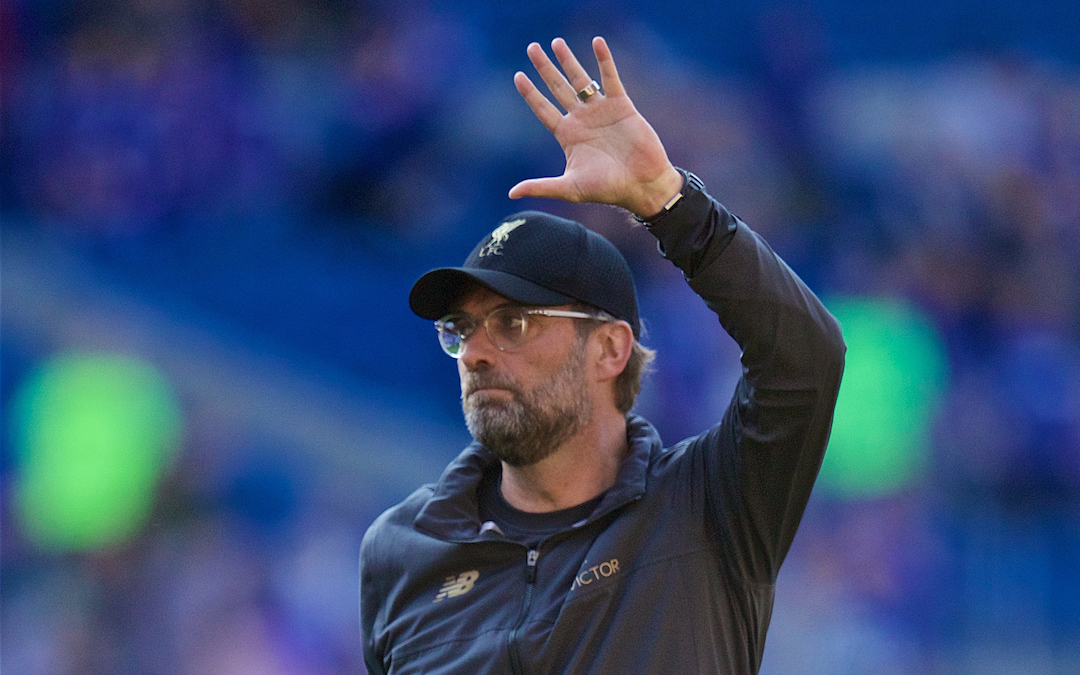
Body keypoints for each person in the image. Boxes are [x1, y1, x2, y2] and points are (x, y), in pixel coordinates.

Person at [359, 36, 845, 675]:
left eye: (513, 323)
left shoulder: (708, 508)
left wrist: (669, 203)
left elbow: (804, 359)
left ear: (611, 348)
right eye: (461, 328)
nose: (474, 352)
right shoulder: (402, 549)